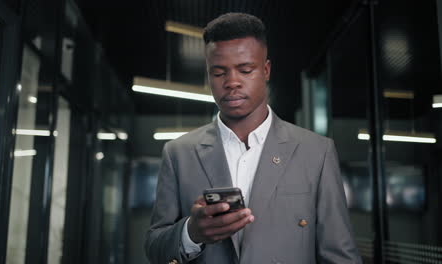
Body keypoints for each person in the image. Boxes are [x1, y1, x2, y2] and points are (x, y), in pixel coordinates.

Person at [145, 12, 362, 264]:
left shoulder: (316, 152)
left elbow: (340, 257)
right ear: (208, 76)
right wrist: (191, 233)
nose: (232, 82)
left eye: (245, 70)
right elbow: (154, 248)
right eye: (218, 73)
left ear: (266, 70)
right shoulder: (178, 153)